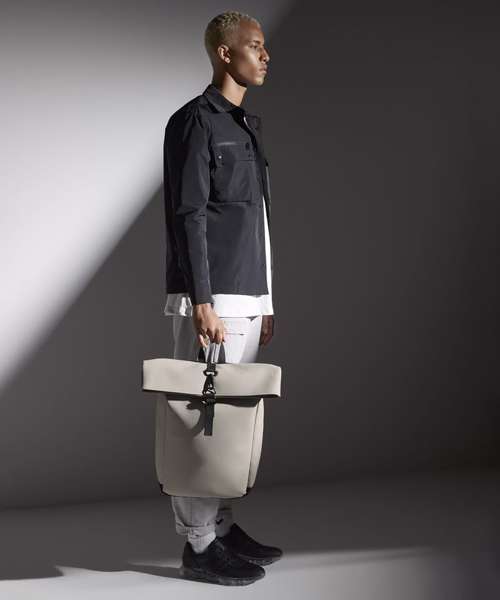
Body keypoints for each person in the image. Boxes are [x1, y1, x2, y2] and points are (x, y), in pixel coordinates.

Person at [161, 11, 282, 586]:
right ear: (224, 54)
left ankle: (222, 528)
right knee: (201, 421)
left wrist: (267, 298)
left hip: (246, 293)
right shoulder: (194, 122)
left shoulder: (245, 125)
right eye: (254, 46)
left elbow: (257, 220)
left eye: (264, 46)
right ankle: (198, 544)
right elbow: (188, 214)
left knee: (230, 424)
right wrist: (202, 299)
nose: (265, 55)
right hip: (212, 297)